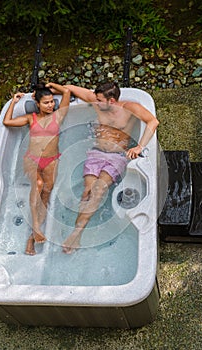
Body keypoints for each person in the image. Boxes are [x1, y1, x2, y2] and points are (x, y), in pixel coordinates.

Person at [58, 81, 159, 254]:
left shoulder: (130, 108)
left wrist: (139, 147)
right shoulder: (99, 105)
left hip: (117, 156)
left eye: (99, 100)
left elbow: (153, 121)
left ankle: (76, 234)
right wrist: (51, 86)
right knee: (87, 192)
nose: (95, 102)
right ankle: (78, 235)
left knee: (98, 191)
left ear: (111, 100)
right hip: (96, 153)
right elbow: (70, 87)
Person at [3, 82, 70, 255]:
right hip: (32, 160)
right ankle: (35, 230)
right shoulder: (30, 118)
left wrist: (51, 86)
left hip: (51, 160)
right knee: (38, 185)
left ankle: (32, 237)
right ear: (37, 103)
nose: (51, 105)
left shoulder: (58, 116)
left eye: (52, 102)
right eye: (46, 102)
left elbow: (67, 91)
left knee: (46, 193)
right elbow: (7, 121)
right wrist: (13, 101)